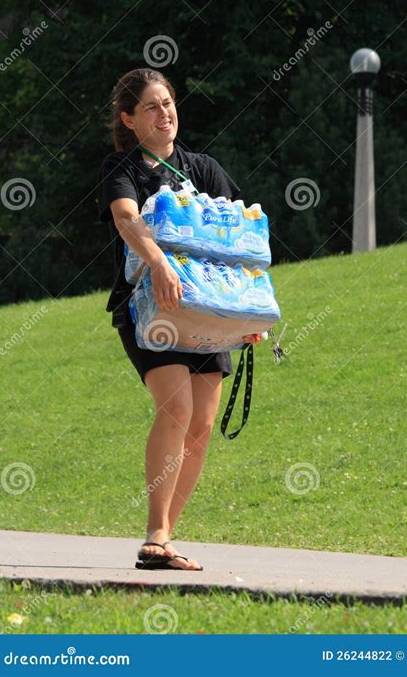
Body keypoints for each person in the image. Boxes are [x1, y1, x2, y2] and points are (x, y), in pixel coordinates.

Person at [96, 68, 261, 571]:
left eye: (168, 102)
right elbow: (127, 219)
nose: (164, 112)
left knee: (202, 424)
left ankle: (165, 537)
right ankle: (153, 532)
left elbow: (240, 241)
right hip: (150, 311)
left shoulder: (204, 168)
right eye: (151, 106)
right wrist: (159, 261)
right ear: (129, 118)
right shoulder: (122, 168)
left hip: (207, 310)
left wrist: (249, 312)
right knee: (176, 408)